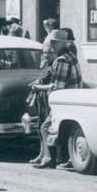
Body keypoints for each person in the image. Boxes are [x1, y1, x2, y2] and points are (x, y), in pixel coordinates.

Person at [29, 28, 82, 169]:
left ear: (63, 44)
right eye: (51, 42)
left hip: (65, 100)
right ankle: (64, 159)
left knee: (45, 127)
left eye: (55, 42)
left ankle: (49, 159)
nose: (52, 45)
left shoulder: (61, 60)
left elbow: (57, 87)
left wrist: (38, 87)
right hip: (75, 98)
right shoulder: (71, 56)